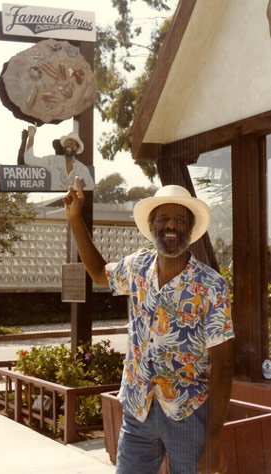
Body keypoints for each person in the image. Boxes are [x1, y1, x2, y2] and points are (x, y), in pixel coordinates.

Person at [63, 178, 234, 474]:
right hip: (138, 409)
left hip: (187, 413)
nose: (171, 225)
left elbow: (224, 364)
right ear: (153, 226)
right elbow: (98, 273)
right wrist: (75, 218)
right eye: (164, 218)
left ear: (190, 230)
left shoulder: (211, 286)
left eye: (179, 219)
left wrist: (215, 437)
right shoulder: (136, 266)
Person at [24, 125, 95, 191]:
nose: (70, 145)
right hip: (56, 201)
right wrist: (31, 137)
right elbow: (29, 160)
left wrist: (77, 194)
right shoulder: (53, 160)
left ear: (77, 149)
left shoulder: (81, 168)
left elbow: (91, 186)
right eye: (68, 142)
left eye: (73, 144)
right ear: (63, 145)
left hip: (72, 203)